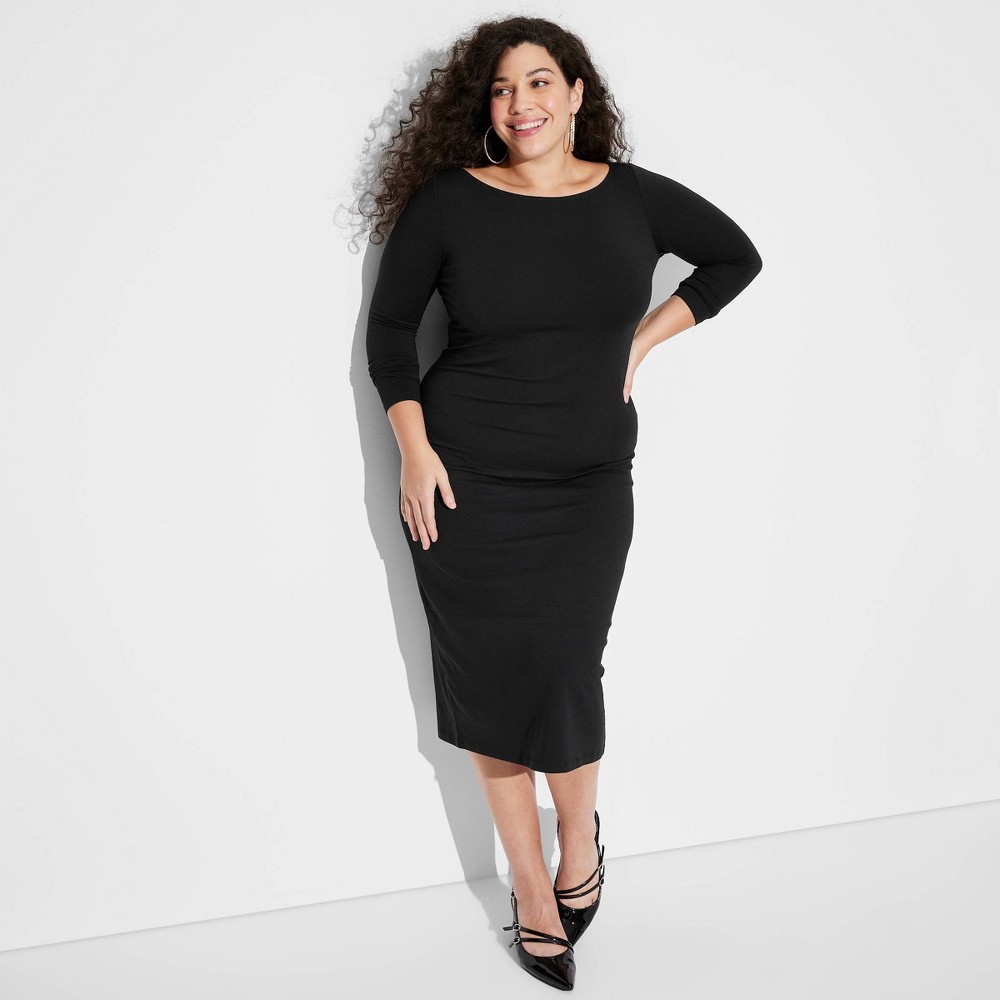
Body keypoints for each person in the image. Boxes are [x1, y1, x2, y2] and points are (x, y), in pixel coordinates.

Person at [363, 15, 762, 991]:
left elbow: (735, 258)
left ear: (577, 93)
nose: (521, 104)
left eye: (539, 81)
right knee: (491, 687)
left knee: (566, 672)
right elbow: (389, 333)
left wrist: (640, 341)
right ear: (485, 106)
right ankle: (533, 891)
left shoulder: (632, 197)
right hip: (465, 484)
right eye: (502, 88)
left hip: (585, 485)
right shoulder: (450, 202)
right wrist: (413, 451)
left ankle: (578, 835)